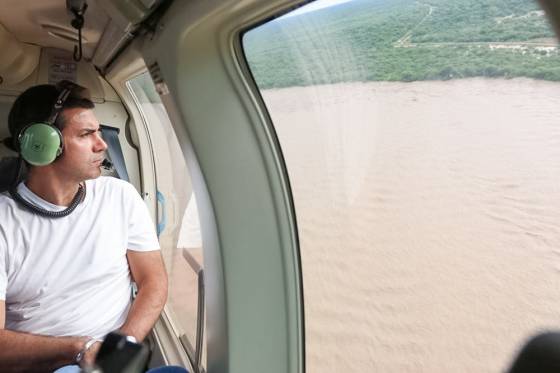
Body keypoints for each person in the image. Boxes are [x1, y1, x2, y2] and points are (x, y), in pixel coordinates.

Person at [0, 80, 172, 372]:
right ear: (43, 145)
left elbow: (153, 282)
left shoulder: (121, 196)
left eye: (99, 131)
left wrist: (120, 347)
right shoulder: (5, 223)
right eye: (86, 134)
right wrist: (79, 349)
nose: (102, 143)